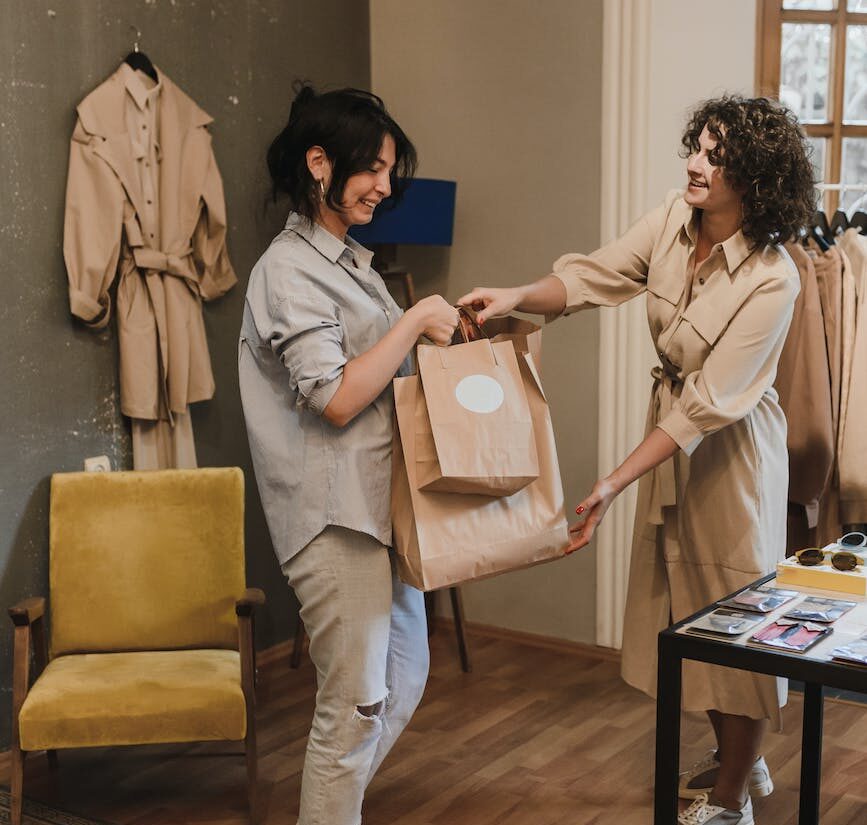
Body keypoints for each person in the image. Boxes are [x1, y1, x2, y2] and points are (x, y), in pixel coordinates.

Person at [459, 96, 815, 825]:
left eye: (716, 158)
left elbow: (709, 405)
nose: (694, 163)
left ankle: (729, 799)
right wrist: (520, 294)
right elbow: (593, 276)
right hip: (672, 441)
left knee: (734, 619)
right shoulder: (670, 221)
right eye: (697, 147)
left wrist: (614, 480)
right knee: (687, 611)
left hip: (731, 456)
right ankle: (735, 762)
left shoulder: (773, 276)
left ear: (754, 178)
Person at [239, 84, 459, 825]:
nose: (384, 186)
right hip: (330, 517)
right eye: (373, 168)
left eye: (390, 170)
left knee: (402, 675)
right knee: (355, 702)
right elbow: (333, 396)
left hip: (376, 506)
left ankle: (330, 811)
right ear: (318, 162)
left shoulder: (345, 263)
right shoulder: (288, 271)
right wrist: (415, 318)